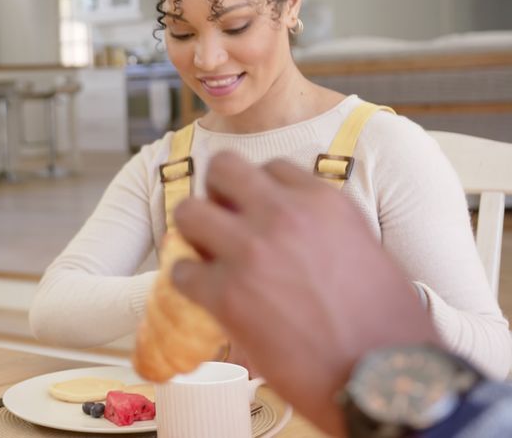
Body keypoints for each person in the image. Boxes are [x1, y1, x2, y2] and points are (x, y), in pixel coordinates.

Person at [29, 0, 511, 378]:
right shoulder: (165, 165)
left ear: (290, 2)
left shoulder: (384, 148)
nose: (208, 59)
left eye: (236, 26)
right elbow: (52, 310)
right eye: (180, 31)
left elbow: (496, 353)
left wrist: (383, 297)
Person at [169, 151, 512, 438]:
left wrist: (387, 308)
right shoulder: (166, 157)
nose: (209, 64)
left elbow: (496, 349)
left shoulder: (391, 147)